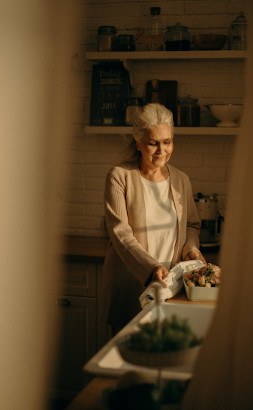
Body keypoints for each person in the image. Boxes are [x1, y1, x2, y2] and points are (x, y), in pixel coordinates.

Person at [102, 103, 205, 334]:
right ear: (138, 143)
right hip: (130, 285)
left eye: (167, 142)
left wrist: (191, 248)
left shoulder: (181, 180)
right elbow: (120, 233)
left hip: (170, 287)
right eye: (153, 143)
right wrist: (151, 268)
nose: (161, 151)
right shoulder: (119, 177)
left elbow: (191, 225)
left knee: (165, 358)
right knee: (127, 361)